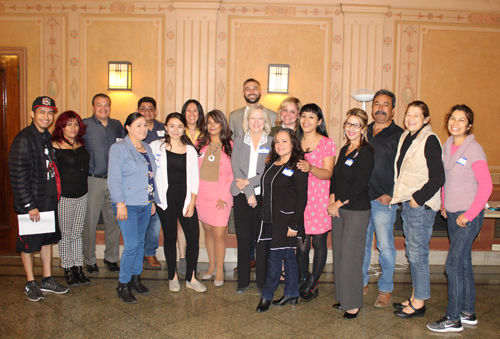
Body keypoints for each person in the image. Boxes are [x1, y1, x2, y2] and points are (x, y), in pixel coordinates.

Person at [427, 105, 492, 333]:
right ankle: (467, 311)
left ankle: (453, 318)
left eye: (461, 120)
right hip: (453, 214)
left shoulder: (474, 149)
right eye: (452, 118)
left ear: (469, 125)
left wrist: (468, 214)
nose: (455, 123)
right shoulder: (447, 146)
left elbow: (486, 185)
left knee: (452, 265)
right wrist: (445, 204)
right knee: (463, 264)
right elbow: (446, 180)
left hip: (468, 216)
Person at [9, 96, 69, 301]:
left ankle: (47, 278)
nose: (46, 116)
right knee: (29, 244)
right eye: (42, 112)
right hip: (33, 204)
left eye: (50, 112)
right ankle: (30, 282)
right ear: (32, 113)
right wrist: (29, 205)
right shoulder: (24, 139)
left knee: (46, 241)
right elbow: (18, 175)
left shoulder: (45, 137)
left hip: (48, 198)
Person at [391, 101, 445, 318]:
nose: (411, 118)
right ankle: (415, 296)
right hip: (409, 203)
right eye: (408, 114)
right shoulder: (407, 136)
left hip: (420, 206)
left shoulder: (430, 139)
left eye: (416, 115)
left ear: (426, 119)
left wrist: (417, 199)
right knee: (413, 252)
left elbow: (438, 177)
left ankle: (419, 302)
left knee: (417, 254)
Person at [151, 113, 206, 293]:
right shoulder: (155, 147)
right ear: (166, 128)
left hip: (186, 200)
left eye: (179, 127)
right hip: (165, 200)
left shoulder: (190, 149)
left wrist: (192, 201)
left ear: (184, 129)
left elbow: (194, 178)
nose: (176, 130)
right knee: (169, 237)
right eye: (172, 126)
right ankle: (172, 276)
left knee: (193, 238)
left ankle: (191, 277)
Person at [328, 108, 374, 319]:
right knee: (339, 254)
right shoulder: (345, 148)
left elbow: (359, 185)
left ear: (363, 128)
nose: (351, 129)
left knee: (351, 257)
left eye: (356, 125)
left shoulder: (366, 152)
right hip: (339, 208)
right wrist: (331, 199)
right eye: (348, 124)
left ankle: (353, 303)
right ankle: (343, 297)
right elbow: (335, 177)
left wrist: (337, 203)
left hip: (356, 210)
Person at [256, 128, 308, 312]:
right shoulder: (271, 163)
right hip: (269, 218)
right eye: (277, 141)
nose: (280, 145)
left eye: (284, 141)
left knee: (275, 259)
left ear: (293, 143)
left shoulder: (299, 166)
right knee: (288, 257)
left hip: (286, 221)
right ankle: (292, 292)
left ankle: (267, 296)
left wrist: (294, 224)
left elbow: (302, 198)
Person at [108, 113, 157, 304]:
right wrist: (120, 203)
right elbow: (114, 179)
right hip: (126, 204)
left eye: (145, 125)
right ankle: (123, 284)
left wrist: (151, 199)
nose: (143, 129)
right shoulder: (119, 148)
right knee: (131, 246)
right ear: (128, 127)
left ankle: (136, 278)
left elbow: (150, 177)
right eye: (138, 125)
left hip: (145, 203)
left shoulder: (147, 148)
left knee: (140, 243)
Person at [361, 90, 404, 307]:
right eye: (377, 103)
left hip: (383, 200)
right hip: (361, 199)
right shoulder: (363, 131)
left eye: (385, 104)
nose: (380, 108)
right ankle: (361, 283)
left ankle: (386, 289)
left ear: (393, 109)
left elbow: (404, 169)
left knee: (385, 247)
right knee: (363, 245)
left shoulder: (400, 134)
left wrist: (392, 193)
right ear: (372, 108)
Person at [230, 104, 273, 294]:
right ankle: (243, 281)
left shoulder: (272, 143)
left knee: (262, 240)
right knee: (244, 238)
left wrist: (253, 192)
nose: (256, 122)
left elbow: (267, 171)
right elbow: (236, 169)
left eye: (260, 118)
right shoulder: (238, 141)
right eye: (252, 118)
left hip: (263, 196)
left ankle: (262, 283)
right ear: (247, 121)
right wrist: (249, 194)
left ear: (266, 122)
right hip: (242, 196)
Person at [295, 103, 335, 301]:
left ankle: (313, 282)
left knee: (319, 242)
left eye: (312, 117)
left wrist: (310, 168)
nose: (306, 120)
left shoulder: (327, 143)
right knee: (301, 244)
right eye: (303, 116)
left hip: (318, 198)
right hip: (298, 198)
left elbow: (328, 173)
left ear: (319, 121)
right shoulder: (294, 141)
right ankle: (303, 277)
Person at [82, 93, 123, 274]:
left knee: (113, 221)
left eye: (106, 105)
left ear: (110, 107)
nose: (103, 108)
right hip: (93, 180)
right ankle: (89, 260)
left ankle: (111, 258)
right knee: (90, 222)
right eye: (99, 105)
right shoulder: (84, 125)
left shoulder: (117, 125)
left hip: (114, 181)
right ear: (93, 108)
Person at [51, 111, 91, 287]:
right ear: (61, 127)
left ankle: (78, 267)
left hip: (82, 194)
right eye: (69, 124)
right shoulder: (54, 146)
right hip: (64, 197)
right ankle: (67, 267)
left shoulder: (80, 144)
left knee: (77, 233)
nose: (73, 128)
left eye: (75, 124)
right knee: (65, 234)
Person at [196, 110, 234, 287]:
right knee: (208, 231)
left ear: (222, 125)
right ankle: (211, 266)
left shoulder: (230, 145)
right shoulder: (199, 144)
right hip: (202, 195)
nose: (212, 126)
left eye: (216, 122)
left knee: (219, 233)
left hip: (221, 197)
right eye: (209, 122)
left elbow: (233, 174)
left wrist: (225, 196)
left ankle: (220, 270)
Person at [178, 99, 205, 274]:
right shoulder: (178, 131)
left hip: (203, 182)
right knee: (181, 222)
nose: (192, 114)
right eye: (188, 110)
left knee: (196, 223)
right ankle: (182, 257)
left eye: (195, 110)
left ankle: (194, 255)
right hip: (181, 182)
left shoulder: (206, 133)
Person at [136, 97, 164, 269]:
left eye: (150, 109)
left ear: (155, 112)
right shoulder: (133, 128)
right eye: (143, 109)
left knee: (156, 221)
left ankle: (150, 253)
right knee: (139, 220)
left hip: (159, 182)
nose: (147, 112)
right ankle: (138, 252)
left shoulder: (164, 129)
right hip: (139, 180)